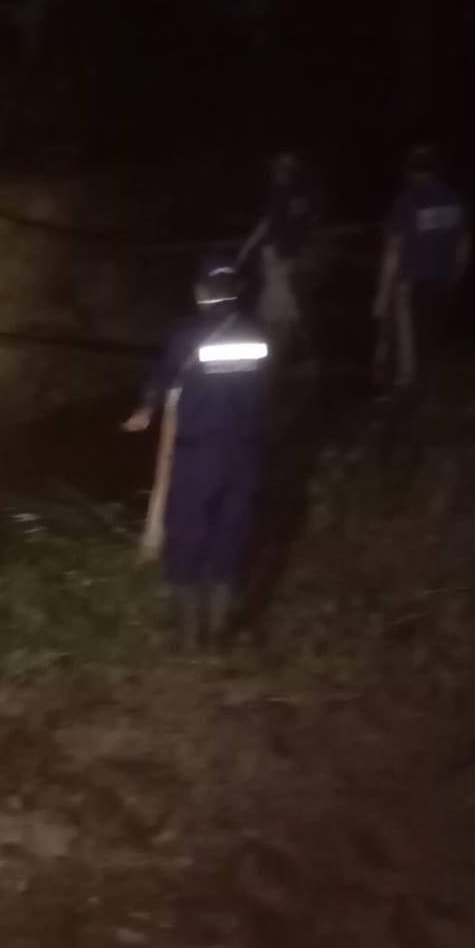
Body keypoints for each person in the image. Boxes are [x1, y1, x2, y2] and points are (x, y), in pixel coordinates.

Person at [123, 253, 270, 651]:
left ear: (201, 291)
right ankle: (218, 636)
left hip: (199, 455)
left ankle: (190, 638)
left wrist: (145, 409)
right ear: (235, 289)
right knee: (231, 534)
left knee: (188, 534)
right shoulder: (259, 334)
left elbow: (162, 378)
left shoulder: (187, 335)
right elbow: (267, 390)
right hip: (245, 455)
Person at [372, 144, 471, 390]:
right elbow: (464, 243)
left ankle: (407, 384)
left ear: (410, 171)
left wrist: (382, 295)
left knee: (408, 339)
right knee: (433, 334)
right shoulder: (454, 199)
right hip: (444, 278)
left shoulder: (408, 202)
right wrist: (457, 274)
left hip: (411, 280)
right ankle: (432, 384)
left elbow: (394, 250)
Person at [238, 150, 315, 356]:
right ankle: (283, 352)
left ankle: (279, 352)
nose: (276, 172)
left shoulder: (285, 193)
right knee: (283, 305)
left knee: (278, 307)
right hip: (287, 256)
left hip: (278, 255)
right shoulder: (298, 195)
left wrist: (246, 249)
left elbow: (267, 224)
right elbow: (299, 226)